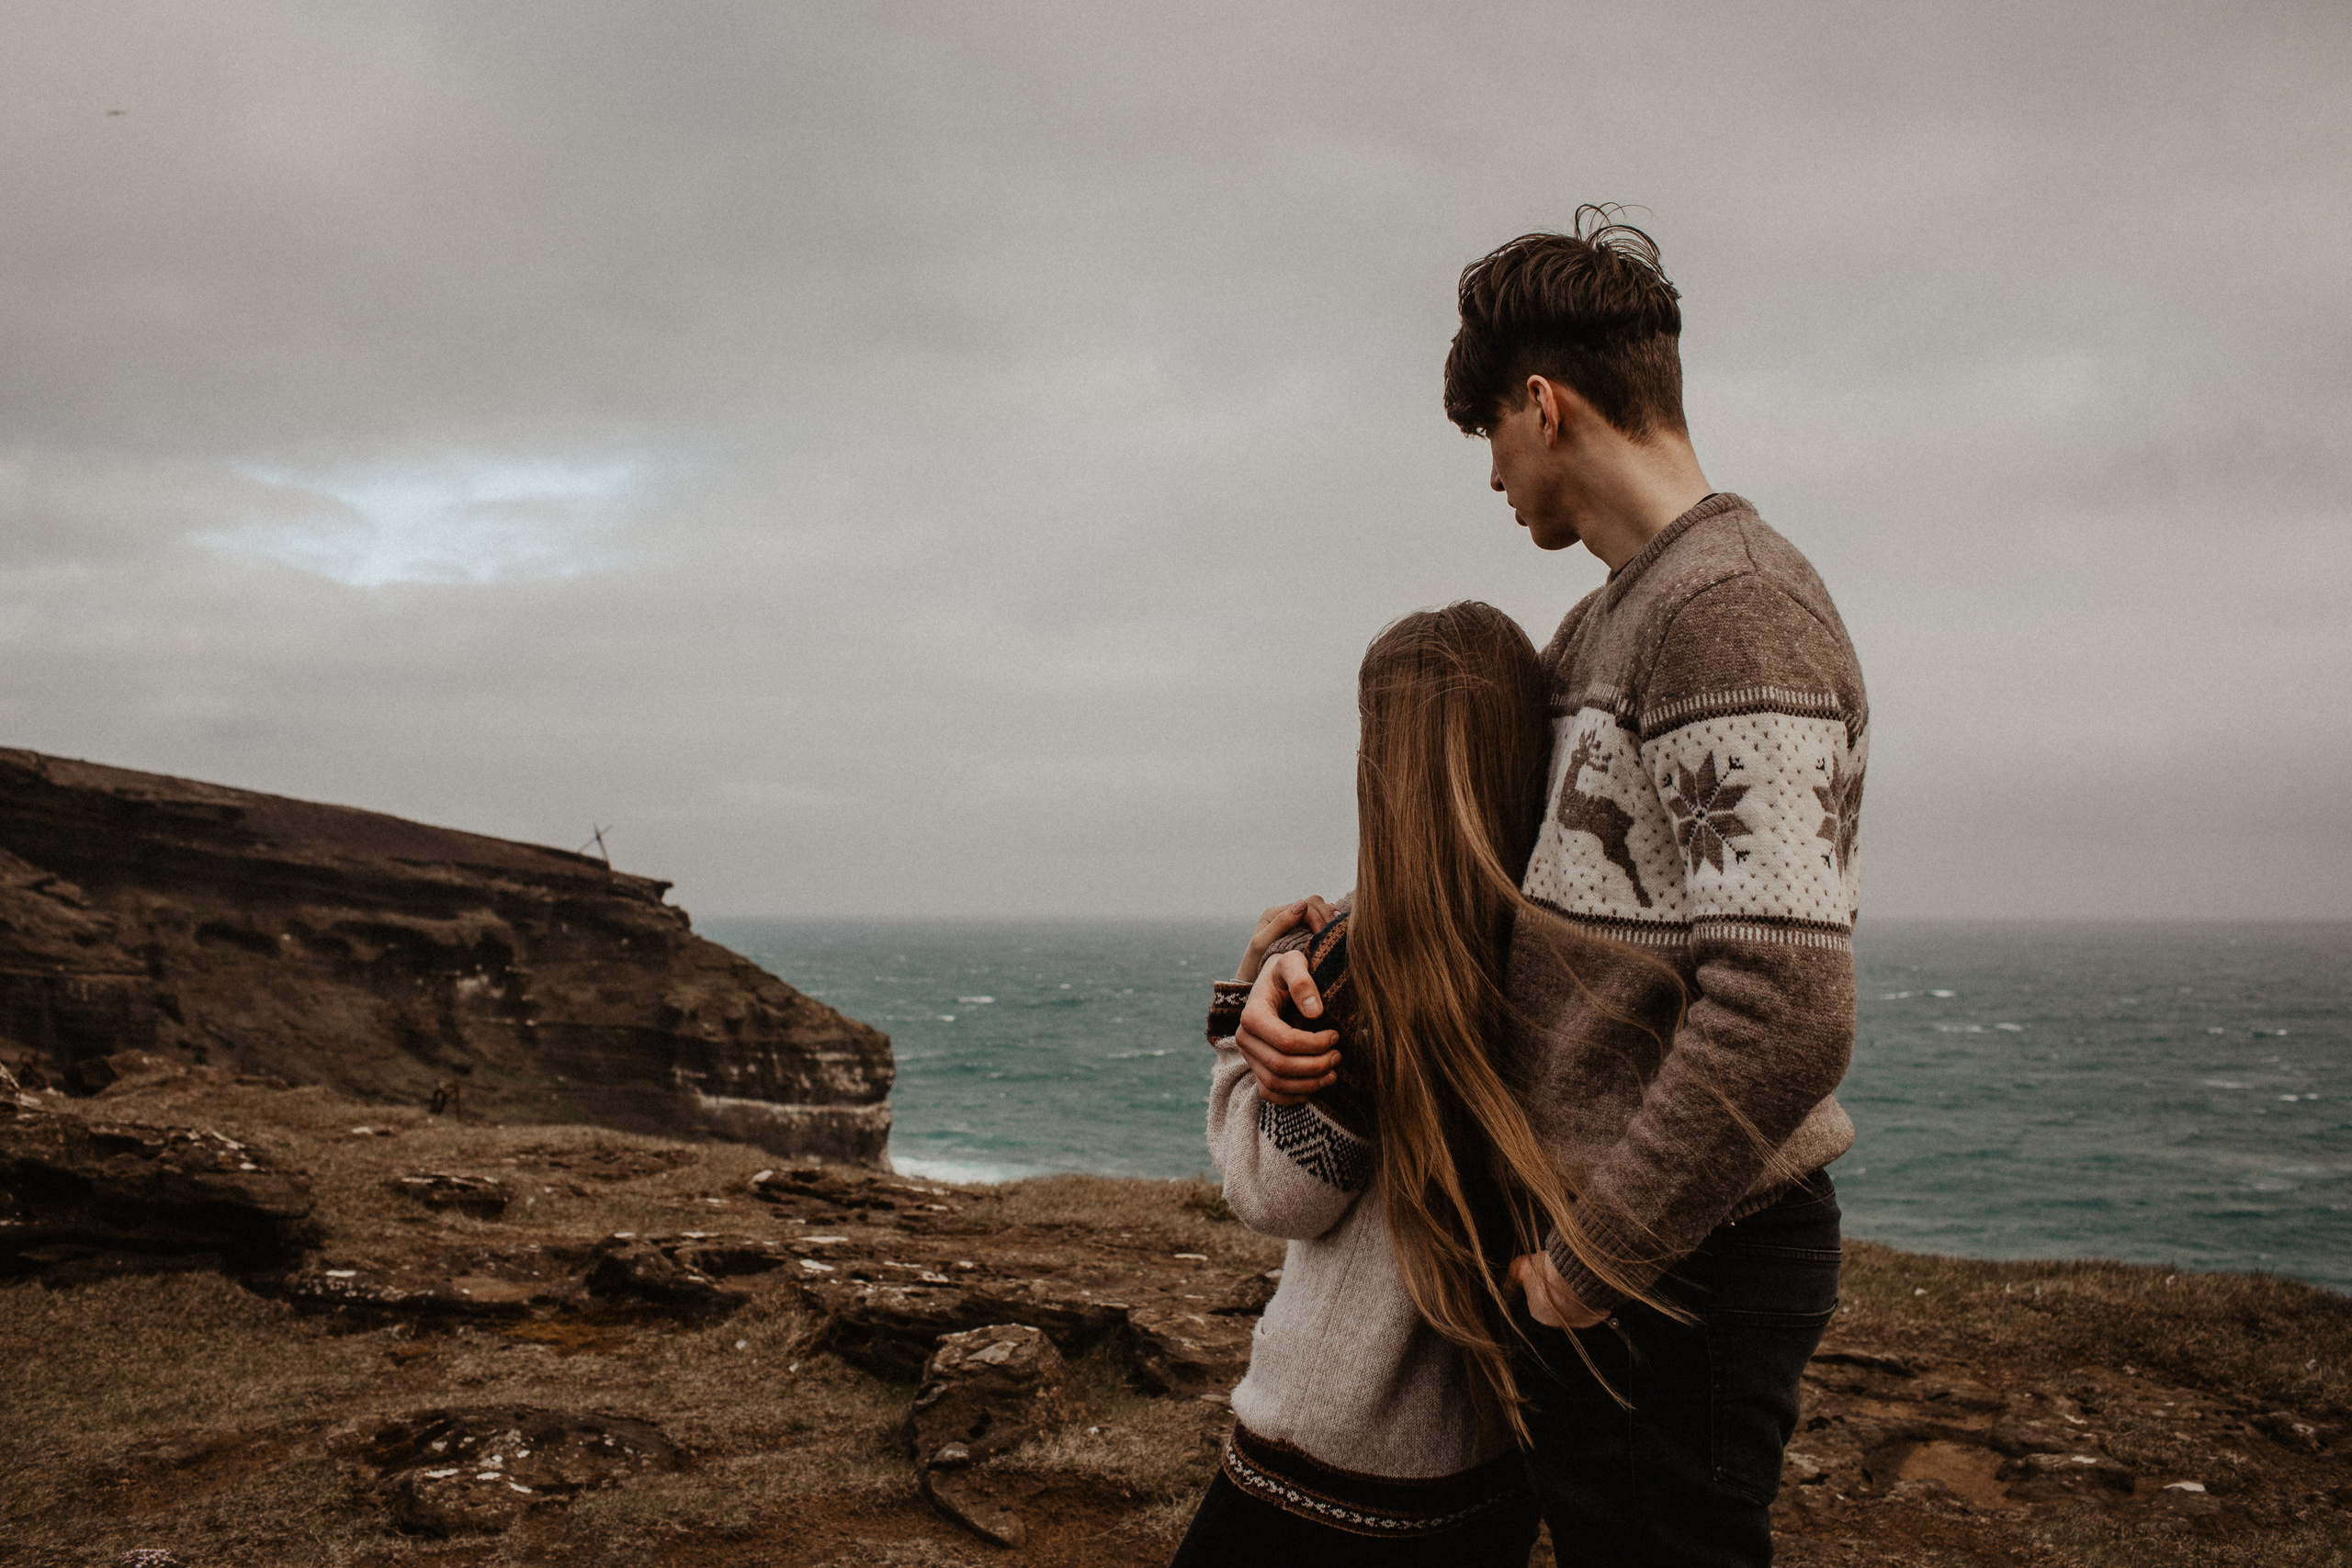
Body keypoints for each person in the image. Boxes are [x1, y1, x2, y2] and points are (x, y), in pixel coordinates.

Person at [1237, 209, 1868, 1566]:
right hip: (1625, 1260)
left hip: (1677, 1265)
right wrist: (1301, 960)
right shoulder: (1605, 622)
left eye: (1490, 442)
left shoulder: (1730, 610)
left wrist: (1591, 1265)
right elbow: (1511, 875)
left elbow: (1788, 1001)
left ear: (1543, 404)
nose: (1492, 480)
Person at [1176, 602, 1654, 1567]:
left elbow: (1277, 1195)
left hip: (1329, 1460)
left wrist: (1237, 1021)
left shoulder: (1353, 966)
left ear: (1380, 760)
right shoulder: (1573, 943)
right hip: (1489, 1457)